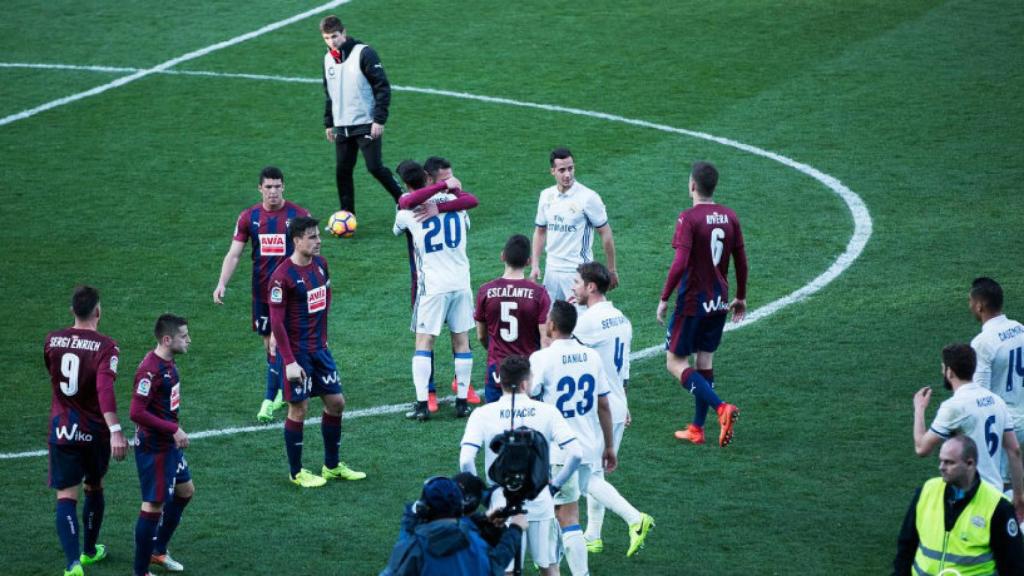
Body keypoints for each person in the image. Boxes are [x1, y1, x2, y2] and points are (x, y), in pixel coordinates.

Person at [531, 300, 654, 568]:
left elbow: (528, 395)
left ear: (551, 325)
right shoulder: (591, 356)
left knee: (564, 514)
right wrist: (608, 446)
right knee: (586, 488)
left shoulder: (542, 358)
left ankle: (561, 563)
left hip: (558, 449)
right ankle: (620, 525)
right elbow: (603, 405)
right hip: (587, 444)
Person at [459, 355, 583, 576]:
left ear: (500, 381)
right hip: (541, 499)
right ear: (526, 382)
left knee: (506, 571)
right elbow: (575, 453)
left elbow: (466, 459)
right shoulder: (547, 411)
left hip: (500, 502)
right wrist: (554, 486)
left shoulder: (482, 414)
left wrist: (484, 495)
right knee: (550, 568)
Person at [269, 216, 366, 487]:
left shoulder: (321, 265)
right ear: (297, 240)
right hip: (296, 352)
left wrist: (323, 338)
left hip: (319, 349)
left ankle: (332, 466)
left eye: (317, 236)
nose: (318, 240)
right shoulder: (282, 277)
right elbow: (276, 321)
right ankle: (296, 472)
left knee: (337, 403)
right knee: (298, 409)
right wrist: (288, 361)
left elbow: (326, 297)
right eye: (312, 237)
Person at [656, 161, 746, 447]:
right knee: (704, 360)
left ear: (692, 185)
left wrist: (664, 297)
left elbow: (681, 262)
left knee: (675, 362)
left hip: (694, 301)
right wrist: (741, 296)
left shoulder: (689, 218)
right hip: (719, 300)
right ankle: (697, 428)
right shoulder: (730, 216)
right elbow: (741, 261)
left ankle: (721, 408)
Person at [213, 166, 311, 423]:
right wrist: (222, 282)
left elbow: (312, 249)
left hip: (290, 291)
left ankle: (271, 397)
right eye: (268, 187)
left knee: (278, 342)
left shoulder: (298, 215)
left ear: (284, 187)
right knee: (269, 344)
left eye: (278, 186)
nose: (273, 192)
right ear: (260, 189)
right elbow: (235, 253)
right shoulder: (249, 217)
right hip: (261, 292)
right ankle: (281, 387)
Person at [44, 286, 127, 576]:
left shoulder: (52, 341)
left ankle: (72, 564)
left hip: (63, 429)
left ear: (72, 312)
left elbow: (53, 376)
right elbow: (104, 388)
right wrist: (115, 428)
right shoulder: (107, 346)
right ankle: (89, 551)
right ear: (98, 312)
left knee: (66, 496)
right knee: (94, 485)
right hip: (95, 431)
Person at [572, 262, 649, 555]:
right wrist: (626, 402)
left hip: (597, 410)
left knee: (584, 478)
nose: (574, 287)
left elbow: (564, 348)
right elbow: (625, 367)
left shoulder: (588, 322)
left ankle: (635, 518)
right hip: (617, 404)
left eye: (577, 282)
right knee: (597, 473)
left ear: (591, 287)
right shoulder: (621, 319)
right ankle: (592, 535)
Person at [394, 161, 478, 420]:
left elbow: (398, 228)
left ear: (406, 184)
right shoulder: (458, 203)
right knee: (461, 341)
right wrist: (449, 191)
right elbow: (468, 213)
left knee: (424, 341)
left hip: (432, 286)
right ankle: (462, 403)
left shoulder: (407, 210)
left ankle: (422, 405)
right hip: (461, 282)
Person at [913, 343, 1024, 520]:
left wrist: (919, 409)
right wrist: (1019, 497)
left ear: (949, 372)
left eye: (943, 368)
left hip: (970, 499)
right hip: (996, 496)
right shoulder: (996, 401)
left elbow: (922, 448)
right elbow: (1014, 451)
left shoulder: (954, 406)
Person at [892, 435, 1024, 575]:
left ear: (970, 464)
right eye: (941, 461)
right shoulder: (926, 491)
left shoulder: (998, 507)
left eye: (949, 462)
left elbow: (1013, 565)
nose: (941, 467)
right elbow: (906, 547)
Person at [129, 314, 194, 576]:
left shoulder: (168, 364)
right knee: (153, 505)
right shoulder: (150, 370)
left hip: (169, 446)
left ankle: (158, 550)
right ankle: (140, 571)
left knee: (185, 491)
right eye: (183, 336)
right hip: (155, 447)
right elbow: (136, 412)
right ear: (167, 339)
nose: (189, 339)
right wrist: (173, 429)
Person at [320, 15, 404, 214]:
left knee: (375, 167)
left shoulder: (364, 53)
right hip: (342, 125)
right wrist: (329, 123)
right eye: (327, 38)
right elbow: (329, 92)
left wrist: (379, 119)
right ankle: (347, 214)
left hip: (366, 123)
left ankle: (404, 201)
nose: (331, 42)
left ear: (344, 33)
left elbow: (382, 87)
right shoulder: (327, 59)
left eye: (334, 36)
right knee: (343, 171)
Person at [380, 476, 526, 575]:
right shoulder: (473, 542)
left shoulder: (414, 546)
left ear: (424, 508)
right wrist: (515, 530)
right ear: (458, 509)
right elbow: (495, 565)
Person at [530, 148, 618, 303]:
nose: (567, 174)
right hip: (551, 271)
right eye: (562, 170)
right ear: (553, 171)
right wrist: (535, 265)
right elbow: (540, 231)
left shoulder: (588, 198)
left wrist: (611, 270)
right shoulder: (546, 196)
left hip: (578, 273)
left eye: (570, 168)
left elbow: (605, 233)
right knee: (549, 323)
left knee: (580, 324)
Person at [475, 234, 551, 403]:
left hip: (497, 371)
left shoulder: (485, 291)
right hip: (527, 373)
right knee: (530, 426)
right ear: (529, 261)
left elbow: (481, 335)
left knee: (496, 426)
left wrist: (495, 349)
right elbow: (545, 340)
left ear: (502, 256)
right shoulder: (539, 294)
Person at [970, 277, 1024, 486]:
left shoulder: (983, 342)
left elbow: (980, 393)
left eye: (970, 301)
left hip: (1006, 425)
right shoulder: (1020, 329)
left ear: (980, 305)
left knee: (1000, 487)